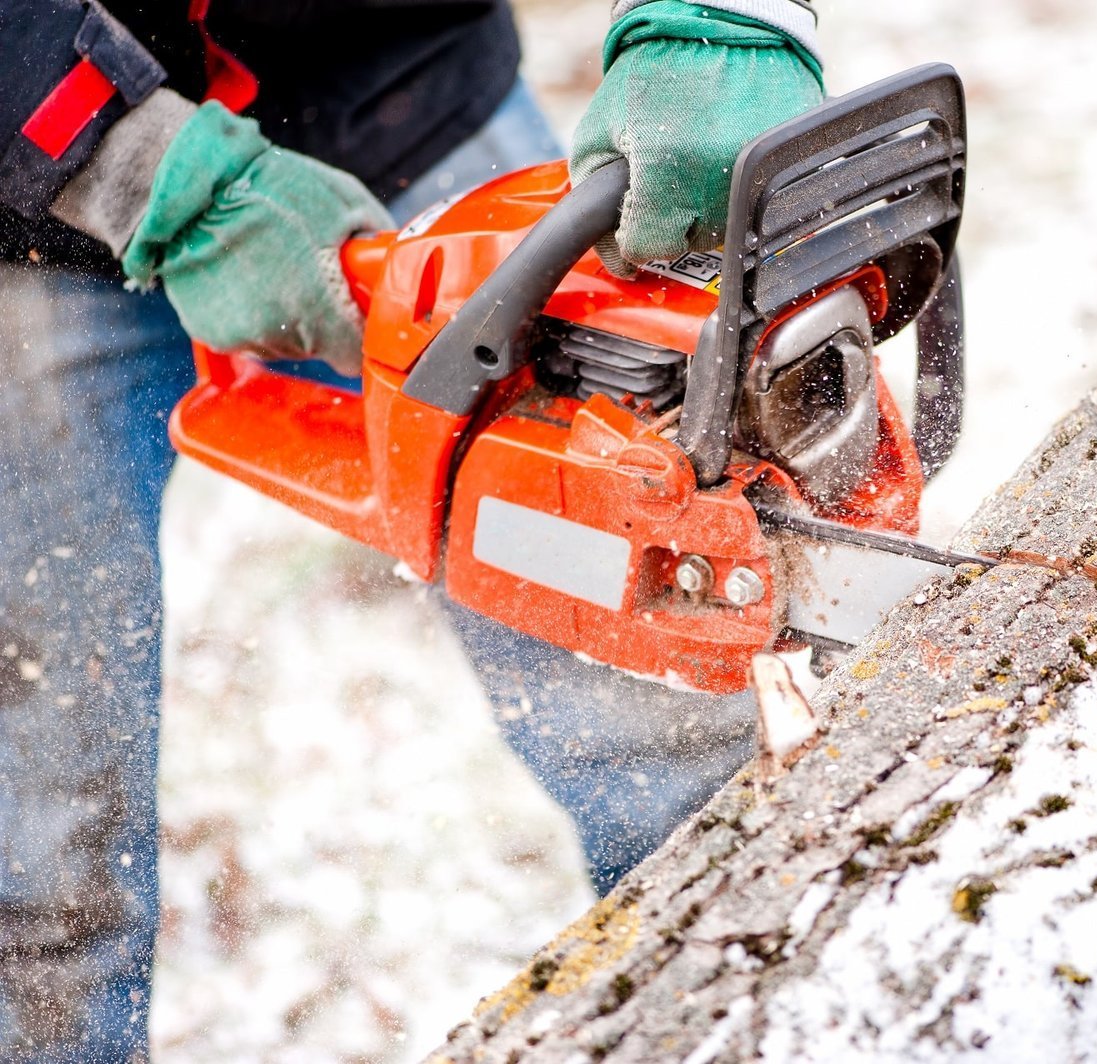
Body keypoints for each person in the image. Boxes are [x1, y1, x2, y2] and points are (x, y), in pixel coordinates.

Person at [0, 1, 823, 1060]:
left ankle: (762, 1015)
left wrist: (716, 16)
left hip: (415, 111)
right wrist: (134, 163)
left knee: (663, 703)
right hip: (30, 215)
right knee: (38, 863)